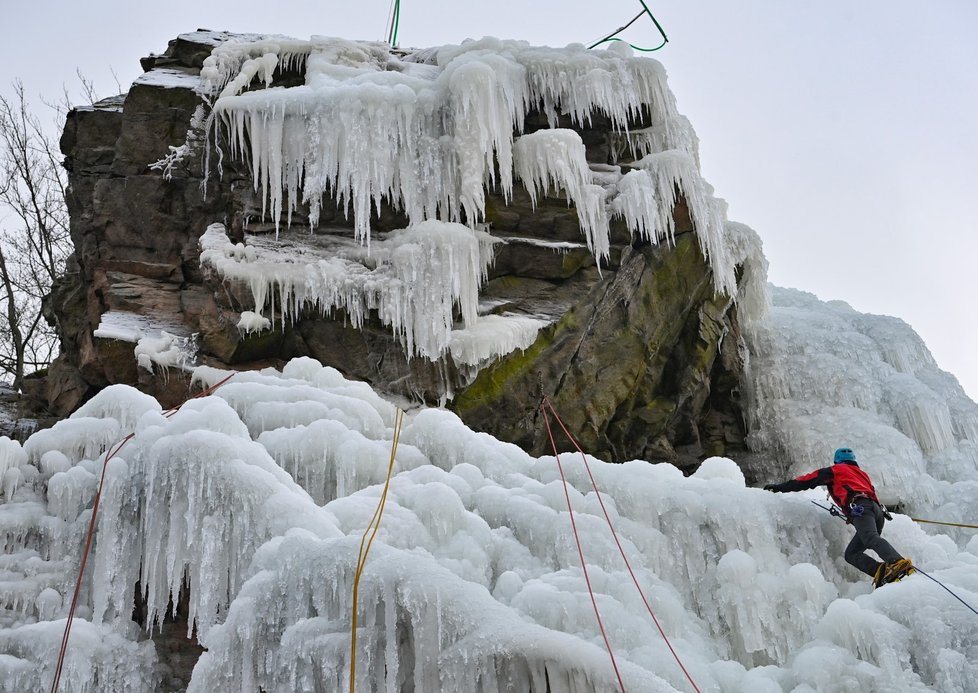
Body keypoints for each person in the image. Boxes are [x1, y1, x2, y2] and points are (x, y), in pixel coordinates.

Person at [764, 447, 913, 587]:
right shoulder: (862, 474)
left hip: (861, 508)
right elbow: (869, 494)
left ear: (837, 461)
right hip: (875, 512)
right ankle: (881, 571)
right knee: (851, 554)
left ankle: (896, 562)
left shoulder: (836, 470)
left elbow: (807, 480)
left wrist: (780, 488)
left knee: (870, 538)